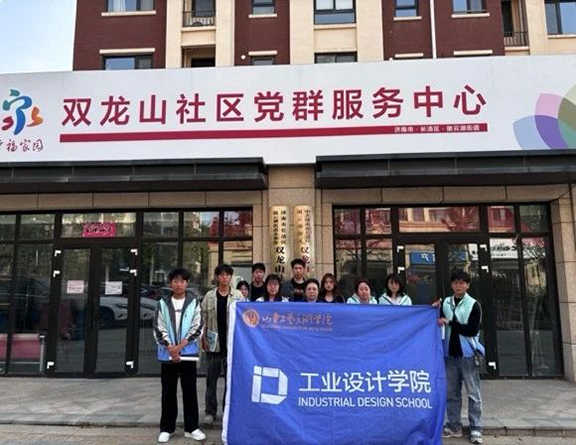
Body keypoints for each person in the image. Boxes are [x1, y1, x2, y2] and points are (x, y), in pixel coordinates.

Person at [153, 268, 206, 443]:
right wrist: (171, 348)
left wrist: (181, 347)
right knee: (168, 392)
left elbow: (198, 327)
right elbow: (158, 327)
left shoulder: (194, 302)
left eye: (182, 281)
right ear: (170, 283)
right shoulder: (162, 303)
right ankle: (166, 428)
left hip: (188, 354)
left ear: (187, 283)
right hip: (168, 354)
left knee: (190, 391)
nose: (178, 284)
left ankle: (192, 428)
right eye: (175, 281)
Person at [438, 270, 484, 445]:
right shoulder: (445, 303)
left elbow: (472, 330)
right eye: (456, 282)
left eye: (462, 282)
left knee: (473, 393)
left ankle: (476, 428)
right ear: (451, 285)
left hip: (468, 355)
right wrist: (434, 309)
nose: (459, 286)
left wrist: (450, 322)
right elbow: (437, 319)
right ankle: (454, 426)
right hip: (449, 355)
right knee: (452, 393)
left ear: (467, 285)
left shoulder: (474, 304)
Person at [200, 264, 244, 426]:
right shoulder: (209, 296)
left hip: (231, 346)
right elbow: (203, 319)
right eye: (221, 275)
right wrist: (203, 338)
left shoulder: (238, 295)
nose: (224, 277)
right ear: (217, 277)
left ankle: (227, 411)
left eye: (227, 275)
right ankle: (210, 412)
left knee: (230, 382)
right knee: (211, 381)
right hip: (214, 346)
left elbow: (244, 320)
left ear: (231, 277)